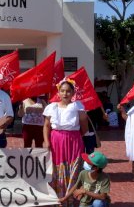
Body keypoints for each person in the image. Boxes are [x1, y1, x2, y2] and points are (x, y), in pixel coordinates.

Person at [43, 78, 88, 206]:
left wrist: (76, 137)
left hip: (73, 141)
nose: (65, 94)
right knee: (57, 169)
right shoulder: (51, 107)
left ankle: (70, 198)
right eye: (62, 91)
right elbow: (46, 126)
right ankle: (57, 198)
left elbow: (84, 126)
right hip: (56, 141)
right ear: (58, 92)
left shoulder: (77, 106)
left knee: (74, 168)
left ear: (73, 93)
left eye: (68, 91)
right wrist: (47, 141)